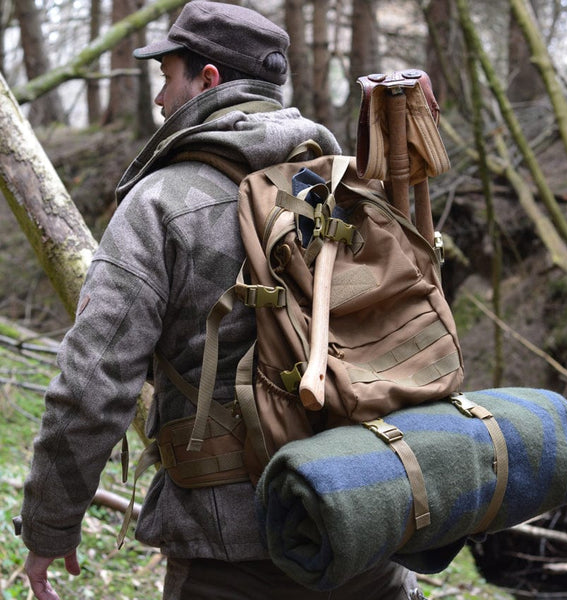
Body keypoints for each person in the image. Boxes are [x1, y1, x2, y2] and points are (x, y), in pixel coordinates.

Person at [18, 2, 425, 598]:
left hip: (231, 553)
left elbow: (93, 381)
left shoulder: (161, 202)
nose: (160, 101)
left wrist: (49, 528)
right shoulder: (347, 186)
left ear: (207, 79)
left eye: (166, 77)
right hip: (368, 515)